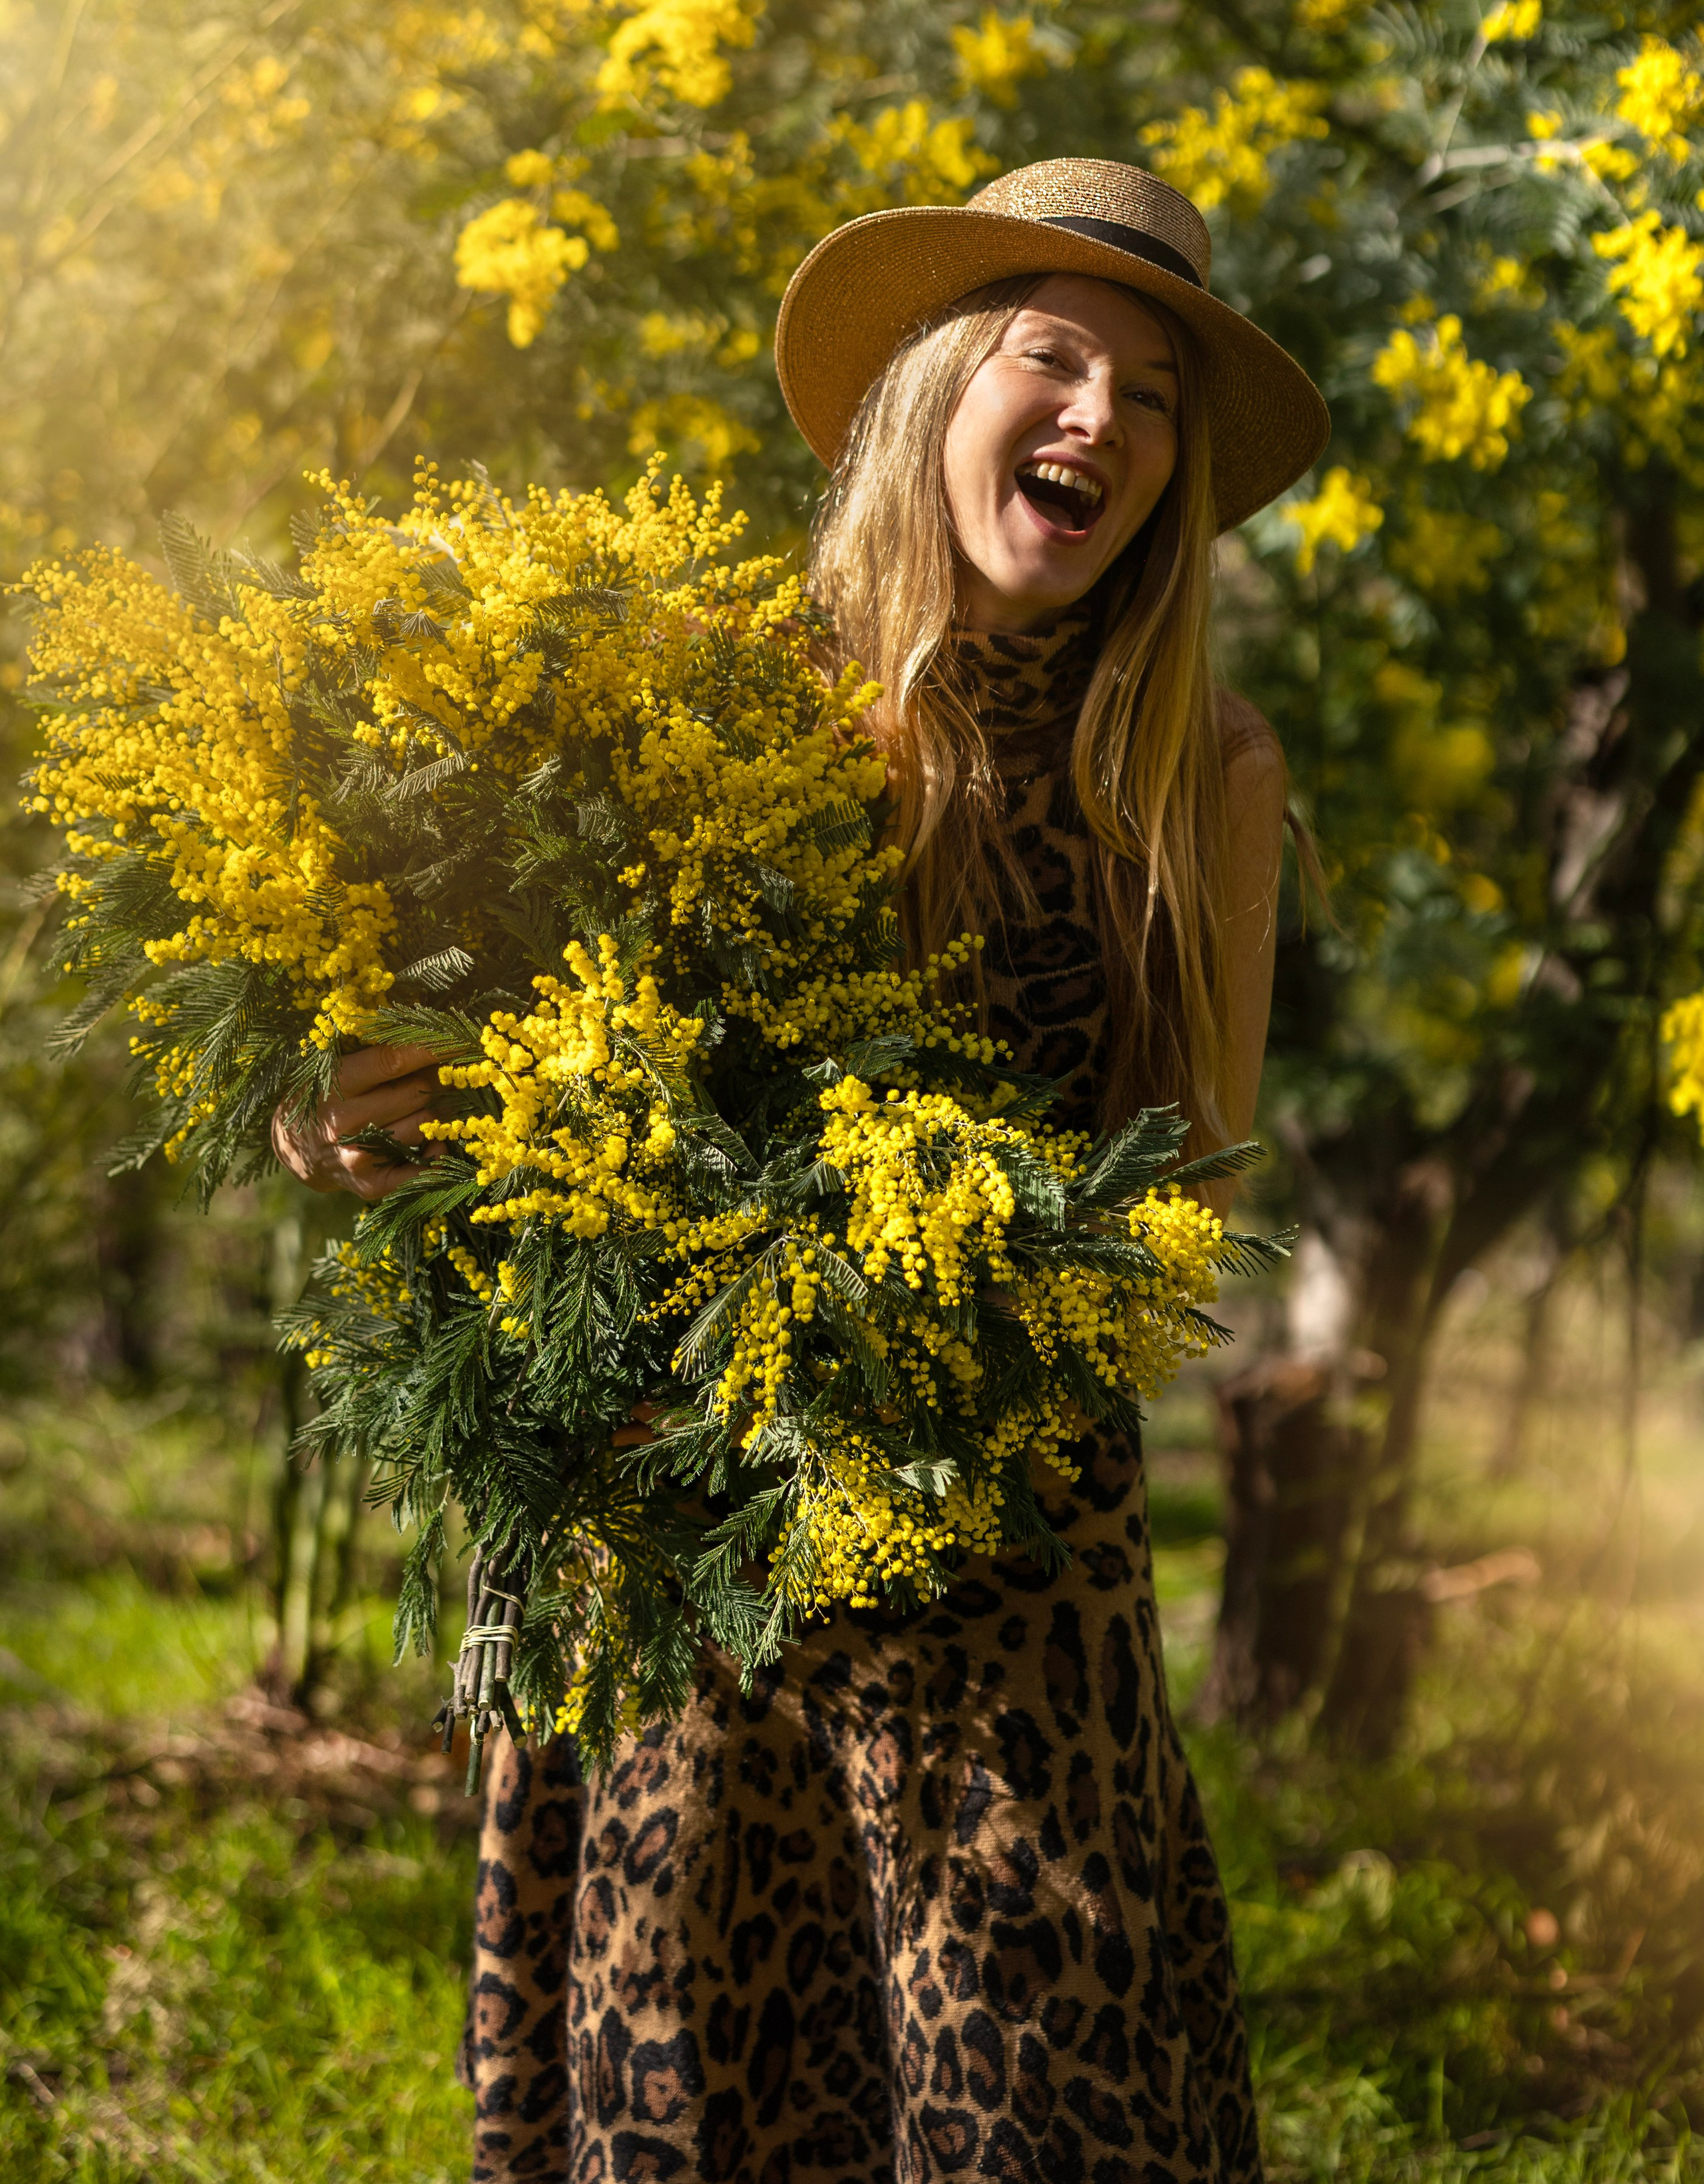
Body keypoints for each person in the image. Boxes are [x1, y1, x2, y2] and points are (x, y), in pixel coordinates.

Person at [274, 156, 1329, 2183]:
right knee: (720, 2122)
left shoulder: (1207, 773)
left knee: (1038, 2119)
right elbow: (467, 1047)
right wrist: (335, 1107)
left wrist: (960, 1288)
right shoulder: (704, 698)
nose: (1103, 416)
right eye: (1053, 356)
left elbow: (1189, 1193)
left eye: (1158, 392)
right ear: (942, 386)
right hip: (700, 1577)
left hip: (1013, 1583)